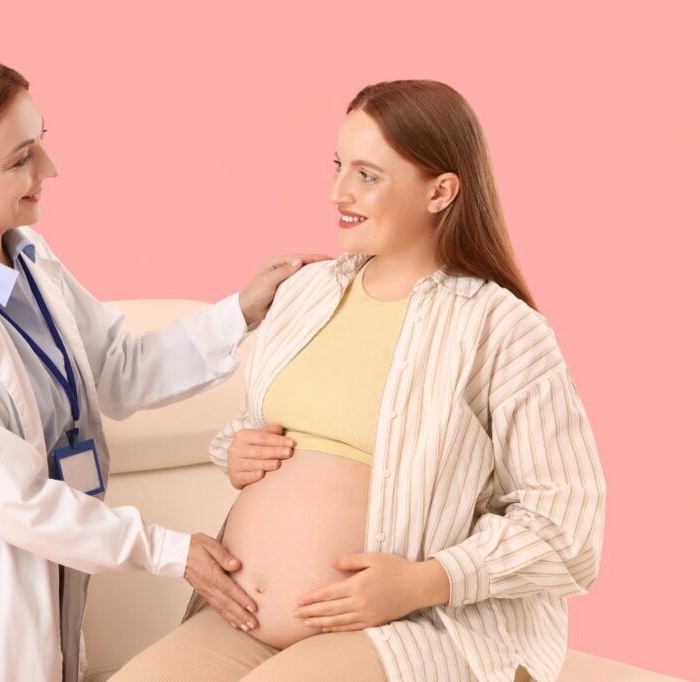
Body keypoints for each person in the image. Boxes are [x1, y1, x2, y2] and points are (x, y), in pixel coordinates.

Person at [0, 52, 328, 682]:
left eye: (41, 143)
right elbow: (13, 499)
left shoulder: (30, 260)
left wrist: (241, 312)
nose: (49, 169)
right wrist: (170, 551)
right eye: (20, 160)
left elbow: (117, 368)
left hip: (37, 598)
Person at [113, 80, 606, 682]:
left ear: (440, 191)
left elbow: (567, 526)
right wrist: (236, 451)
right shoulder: (305, 293)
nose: (337, 192)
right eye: (338, 165)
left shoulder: (500, 328)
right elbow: (262, 432)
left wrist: (424, 583)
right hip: (244, 620)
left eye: (367, 175)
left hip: (409, 628)